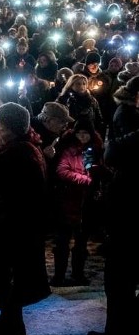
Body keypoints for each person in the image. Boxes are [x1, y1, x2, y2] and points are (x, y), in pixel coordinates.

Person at [0, 103, 50, 335]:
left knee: (7, 283)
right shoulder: (20, 148)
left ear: (14, 129)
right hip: (17, 228)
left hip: (16, 230)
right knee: (9, 283)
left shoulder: (20, 155)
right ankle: (11, 326)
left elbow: (7, 194)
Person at [88, 77, 139, 335]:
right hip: (127, 206)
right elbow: (114, 153)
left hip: (128, 207)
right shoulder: (126, 115)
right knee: (120, 277)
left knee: (122, 276)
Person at [51, 118, 102, 286]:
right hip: (68, 200)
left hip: (86, 203)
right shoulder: (68, 150)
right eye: (79, 132)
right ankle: (59, 275)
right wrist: (84, 179)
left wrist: (95, 174)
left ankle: (78, 274)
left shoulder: (96, 150)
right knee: (62, 242)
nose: (82, 136)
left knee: (81, 243)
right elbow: (62, 170)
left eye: (86, 133)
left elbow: (100, 172)